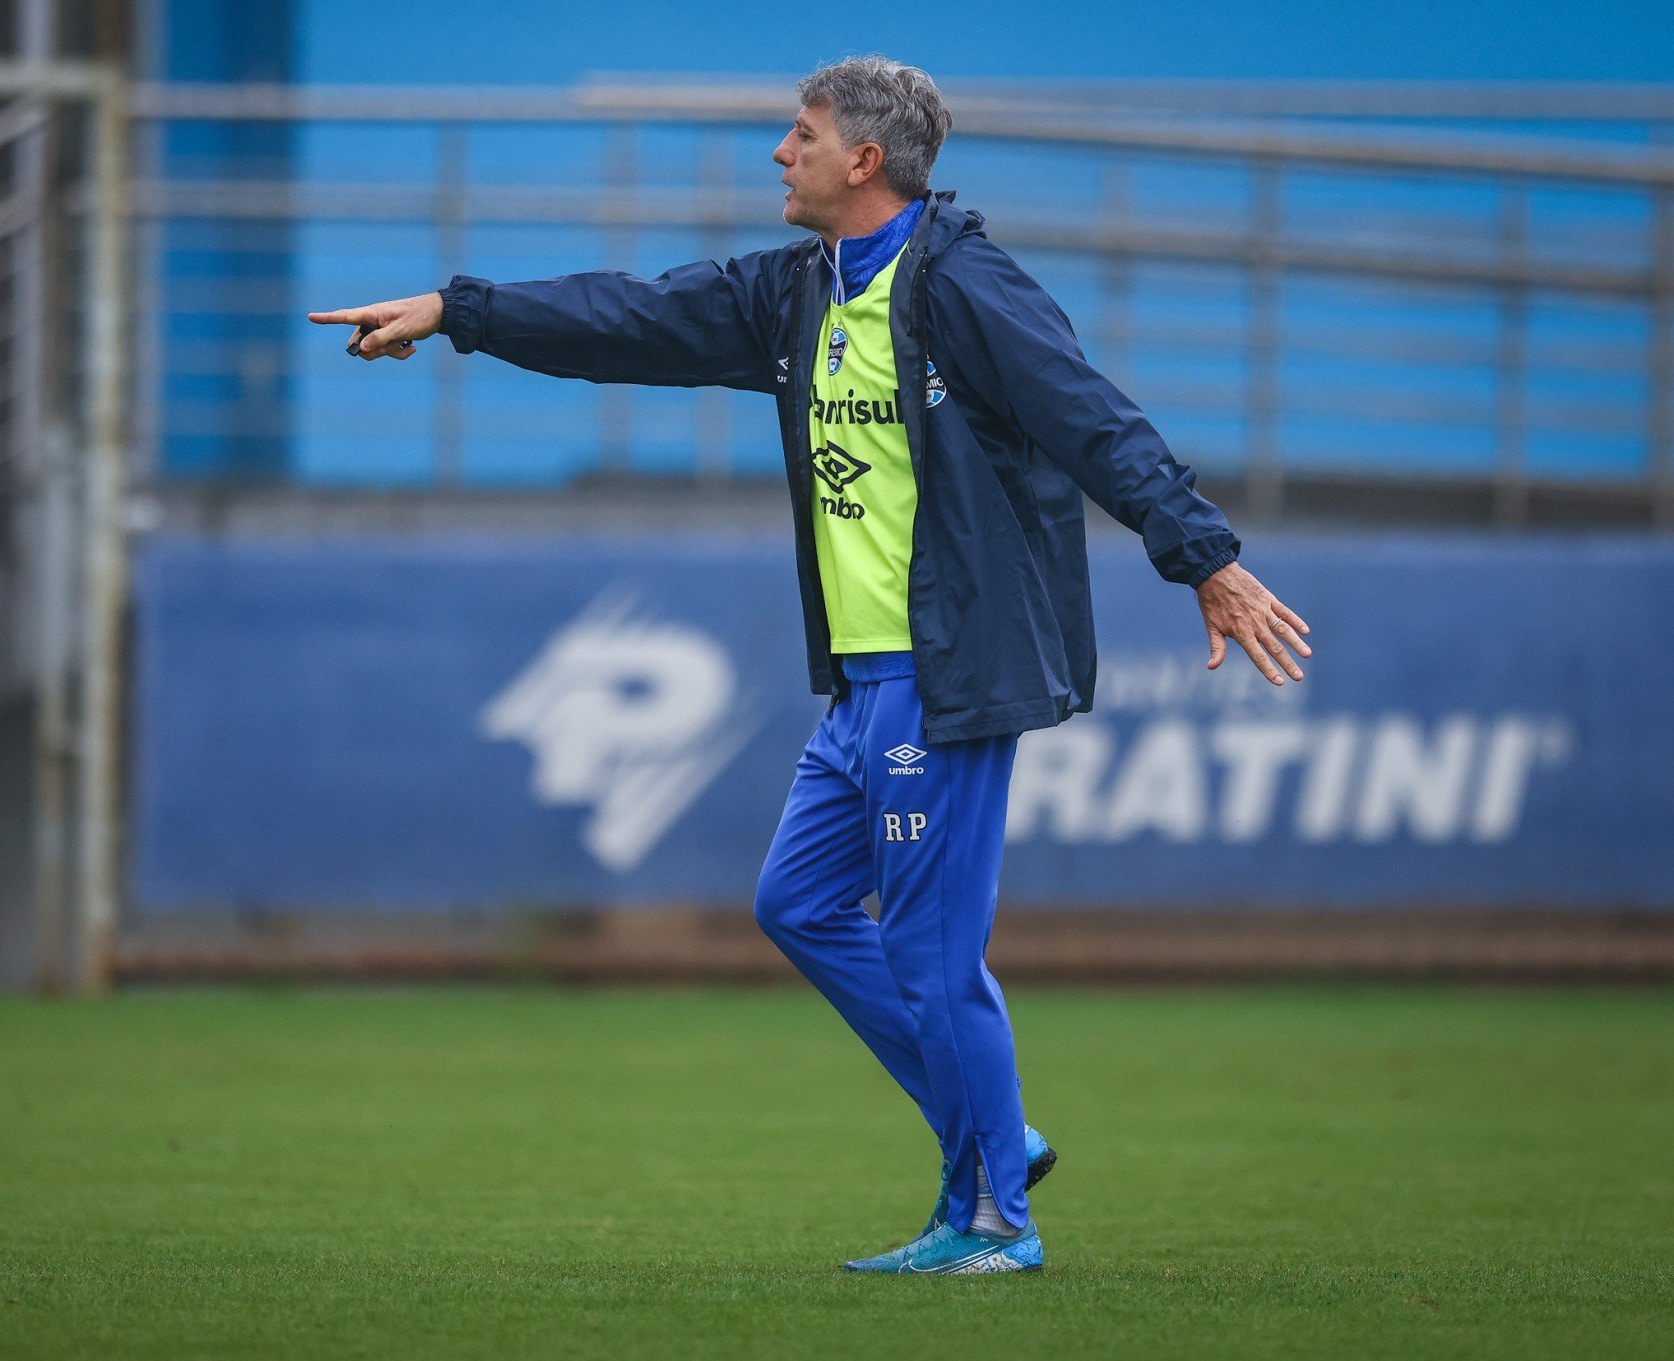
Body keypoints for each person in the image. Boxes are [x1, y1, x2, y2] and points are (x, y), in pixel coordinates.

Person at [307, 54, 1311, 1275]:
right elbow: (629, 316)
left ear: (863, 161)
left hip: (939, 675)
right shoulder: (800, 289)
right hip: (861, 680)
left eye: (800, 133)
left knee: (934, 958)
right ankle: (993, 1129)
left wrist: (1204, 556)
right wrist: (460, 312)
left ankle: (995, 1218)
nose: (780, 153)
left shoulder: (969, 288)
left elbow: (1095, 419)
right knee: (797, 903)